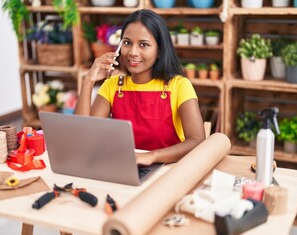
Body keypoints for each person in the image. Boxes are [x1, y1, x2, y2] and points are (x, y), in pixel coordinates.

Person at [74, 9, 205, 166]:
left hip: (168, 172)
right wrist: (88, 81)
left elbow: (197, 140)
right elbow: (83, 138)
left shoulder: (179, 85)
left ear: (159, 51)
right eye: (127, 43)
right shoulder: (113, 85)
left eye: (144, 45)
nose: (133, 52)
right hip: (123, 167)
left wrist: (151, 156)